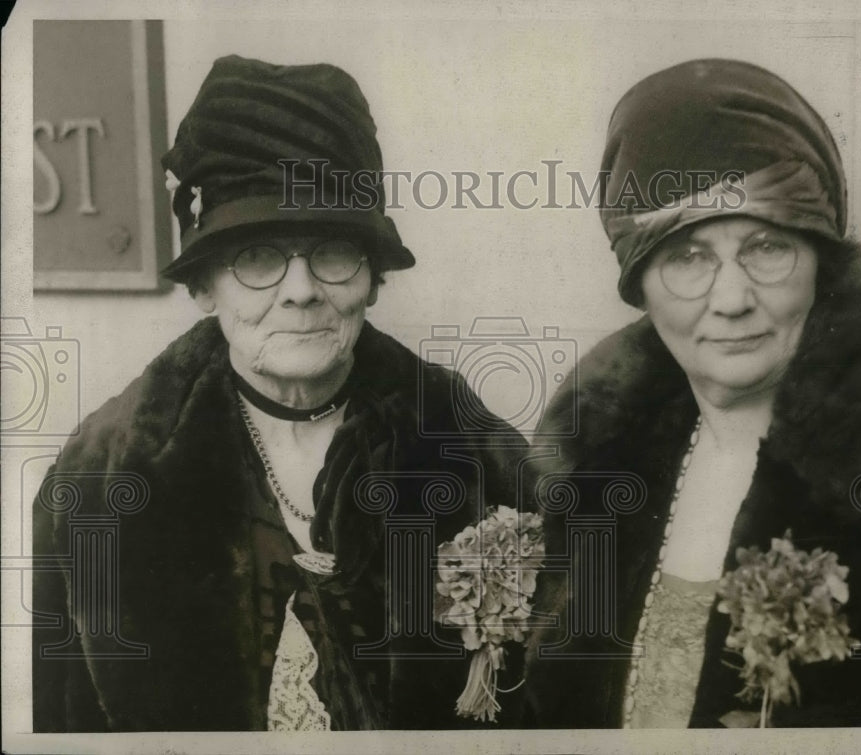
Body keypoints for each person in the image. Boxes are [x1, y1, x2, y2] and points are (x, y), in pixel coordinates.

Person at [32, 55, 526, 731]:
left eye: (332, 250)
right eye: (258, 256)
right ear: (206, 286)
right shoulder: (99, 475)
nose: (301, 290)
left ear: (373, 277)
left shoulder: (474, 451)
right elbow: (66, 724)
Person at [521, 59, 861, 728]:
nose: (732, 300)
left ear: (820, 258)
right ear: (639, 282)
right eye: (688, 256)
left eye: (767, 246)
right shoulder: (591, 469)